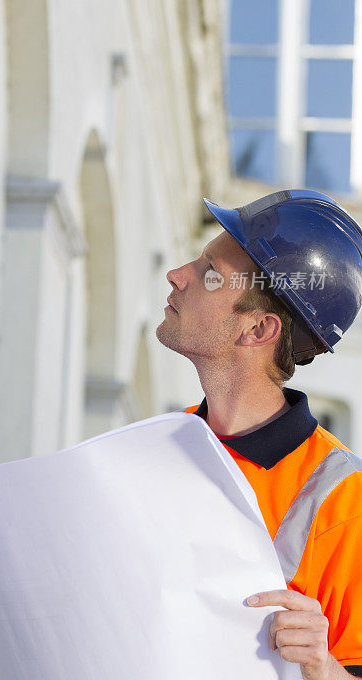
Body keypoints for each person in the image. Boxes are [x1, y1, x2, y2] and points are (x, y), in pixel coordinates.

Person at [156, 189, 362, 680]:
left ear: (258, 330)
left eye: (210, 273)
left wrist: (323, 666)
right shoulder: (158, 446)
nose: (177, 274)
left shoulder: (343, 500)